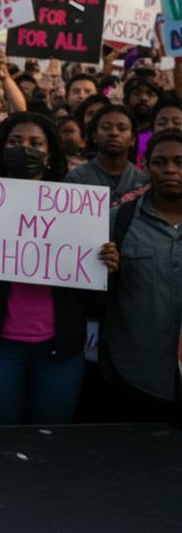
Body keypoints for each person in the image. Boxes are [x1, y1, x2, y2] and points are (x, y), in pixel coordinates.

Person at [0, 112, 119, 425]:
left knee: (48, 443)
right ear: (2, 148)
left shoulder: (76, 207)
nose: (25, 148)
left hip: (58, 352)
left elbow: (94, 296)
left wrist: (106, 266)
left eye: (35, 143)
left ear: (50, 152)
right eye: (15, 141)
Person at [102, 129, 182, 422]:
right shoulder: (118, 220)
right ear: (145, 167)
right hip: (136, 374)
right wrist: (105, 268)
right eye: (160, 162)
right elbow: (93, 289)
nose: (170, 169)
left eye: (179, 162)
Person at [66, 104, 147, 207]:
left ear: (133, 139)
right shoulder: (77, 179)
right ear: (95, 136)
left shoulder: (143, 182)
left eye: (122, 128)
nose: (114, 133)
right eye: (106, 128)